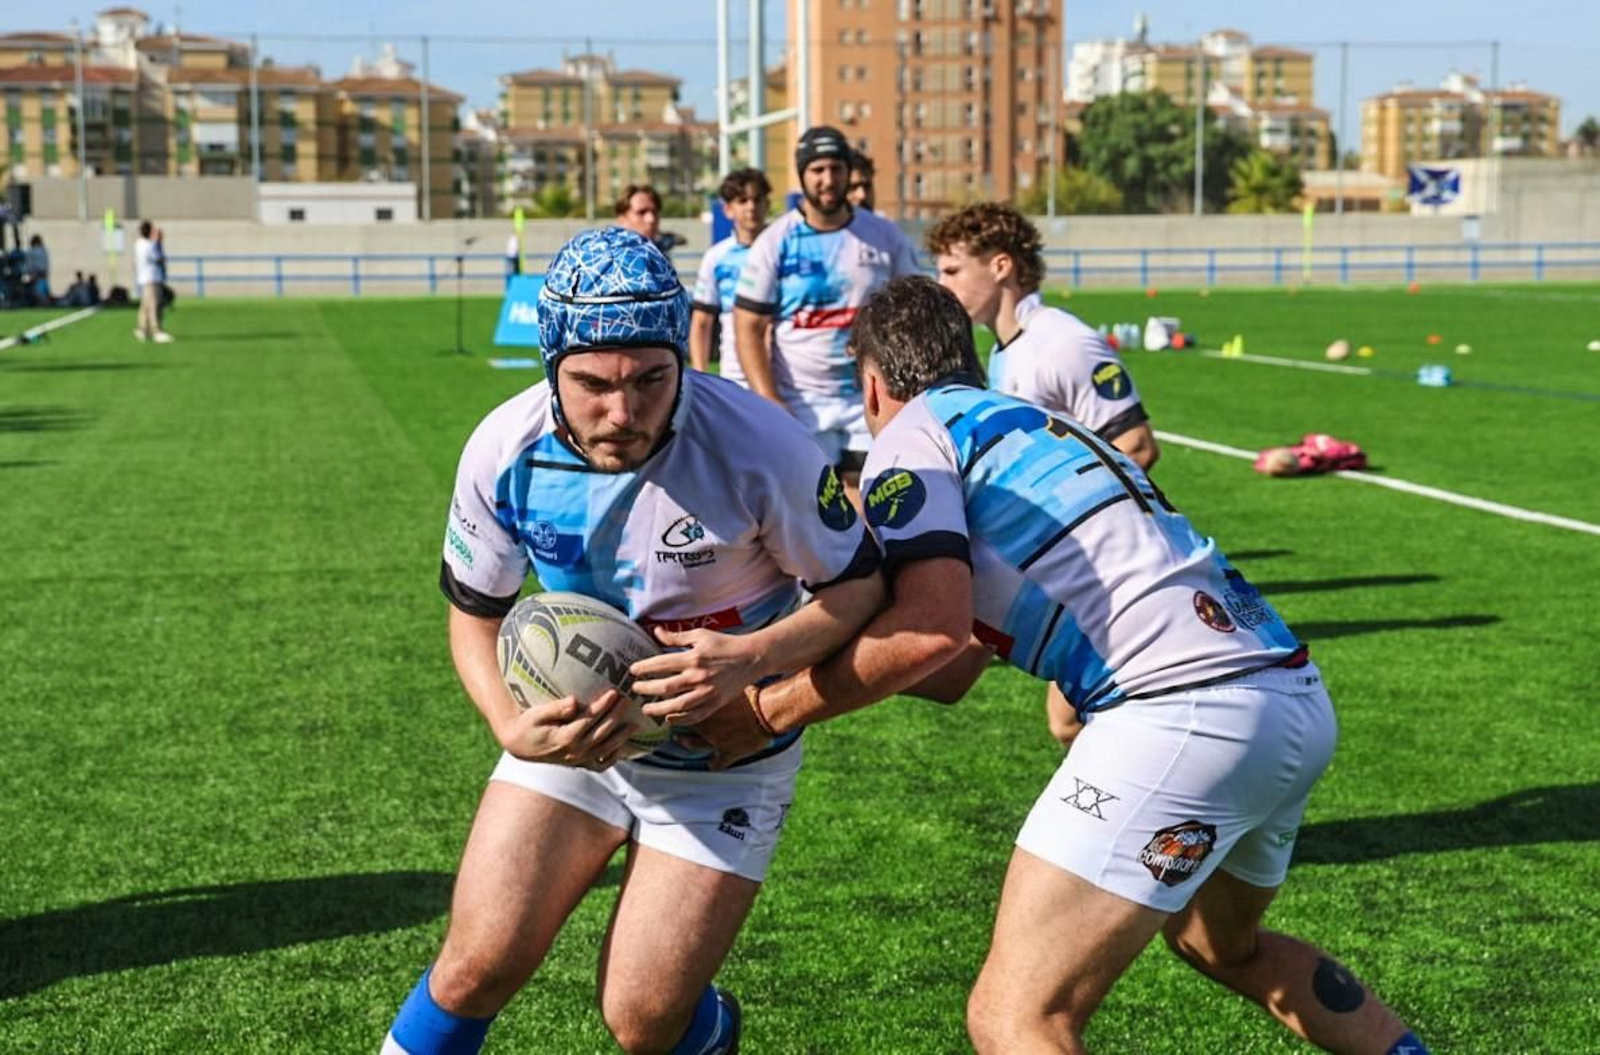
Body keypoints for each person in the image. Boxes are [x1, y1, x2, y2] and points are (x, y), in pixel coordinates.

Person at [691, 276, 1432, 1055]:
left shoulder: (909, 438)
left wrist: (764, 710)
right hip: (1288, 696)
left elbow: (930, 634)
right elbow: (947, 670)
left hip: (1179, 710)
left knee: (1015, 1017)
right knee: (1224, 947)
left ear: (870, 382)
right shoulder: (1035, 424)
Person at [381, 227, 884, 1055]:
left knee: (644, 1018)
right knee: (476, 964)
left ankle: (709, 1030)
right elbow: (475, 609)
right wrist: (506, 724)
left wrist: (754, 660)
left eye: (652, 380)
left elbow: (859, 586)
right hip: (576, 742)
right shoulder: (503, 449)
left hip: (723, 758)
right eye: (593, 385)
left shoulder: (761, 447)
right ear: (552, 368)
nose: (624, 411)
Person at [927, 201, 1160, 743]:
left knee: (1075, 718)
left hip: (1105, 568)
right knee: (1076, 716)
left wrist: (1051, 532)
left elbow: (1137, 445)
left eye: (953, 270)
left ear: (1001, 266)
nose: (942, 285)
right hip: (1063, 569)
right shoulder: (1010, 351)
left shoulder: (1061, 341)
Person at [733, 126, 919, 500]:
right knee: (810, 505)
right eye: (817, 170)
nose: (828, 179)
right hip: (800, 401)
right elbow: (748, 326)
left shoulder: (884, 235)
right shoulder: (776, 241)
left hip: (868, 397)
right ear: (802, 174)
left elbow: (915, 311)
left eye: (836, 168)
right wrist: (769, 399)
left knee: (871, 499)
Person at [688, 168, 771, 383]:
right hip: (735, 376)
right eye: (742, 200)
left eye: (757, 199)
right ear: (728, 209)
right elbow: (701, 322)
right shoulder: (716, 257)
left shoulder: (784, 249)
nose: (751, 207)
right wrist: (701, 377)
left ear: (767, 204)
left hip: (781, 376)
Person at [133, 221, 173, 343]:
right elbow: (159, 259)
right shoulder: (150, 245)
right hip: (152, 278)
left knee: (145, 305)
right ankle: (156, 331)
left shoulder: (138, 243)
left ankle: (142, 329)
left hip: (144, 278)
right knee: (155, 305)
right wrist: (159, 241)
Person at [24, 234, 50, 305]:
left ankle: (40, 302)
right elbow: (47, 263)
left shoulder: (31, 251)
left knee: (37, 291)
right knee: (43, 291)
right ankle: (45, 302)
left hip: (35, 275)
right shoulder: (44, 251)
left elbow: (29, 264)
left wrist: (29, 273)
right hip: (43, 274)